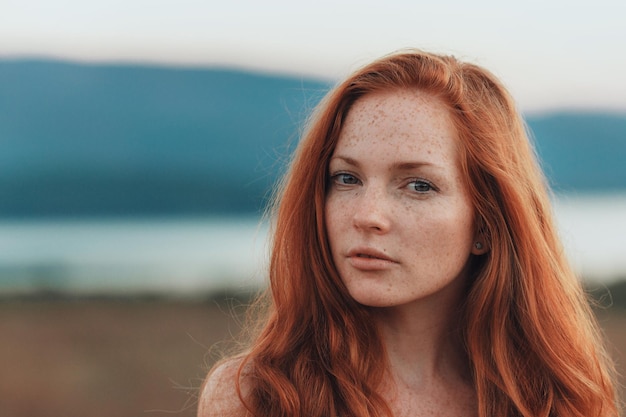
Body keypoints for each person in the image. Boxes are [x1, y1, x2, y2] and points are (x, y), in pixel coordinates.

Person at [197, 49, 620, 417]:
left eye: (418, 185)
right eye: (346, 178)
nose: (367, 215)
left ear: (487, 225)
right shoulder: (258, 396)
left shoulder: (557, 398)